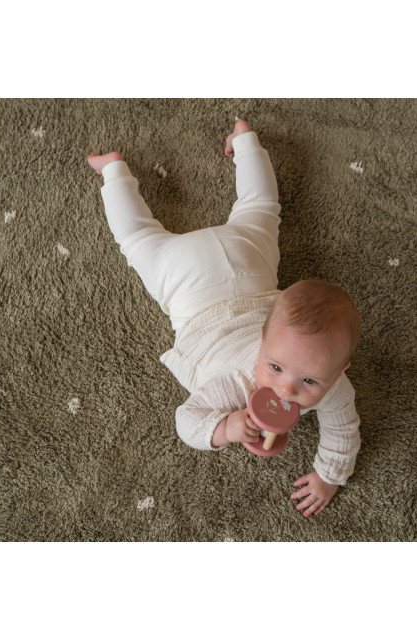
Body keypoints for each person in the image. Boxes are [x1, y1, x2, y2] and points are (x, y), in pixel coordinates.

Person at [88, 120, 361, 518]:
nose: (285, 389)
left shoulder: (331, 382)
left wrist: (329, 475)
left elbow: (343, 429)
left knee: (260, 208)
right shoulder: (238, 382)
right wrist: (226, 427)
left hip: (247, 263)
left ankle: (244, 141)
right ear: (262, 340)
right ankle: (113, 170)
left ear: (340, 371)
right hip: (187, 286)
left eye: (308, 381)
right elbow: (188, 421)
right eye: (275, 367)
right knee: (137, 239)